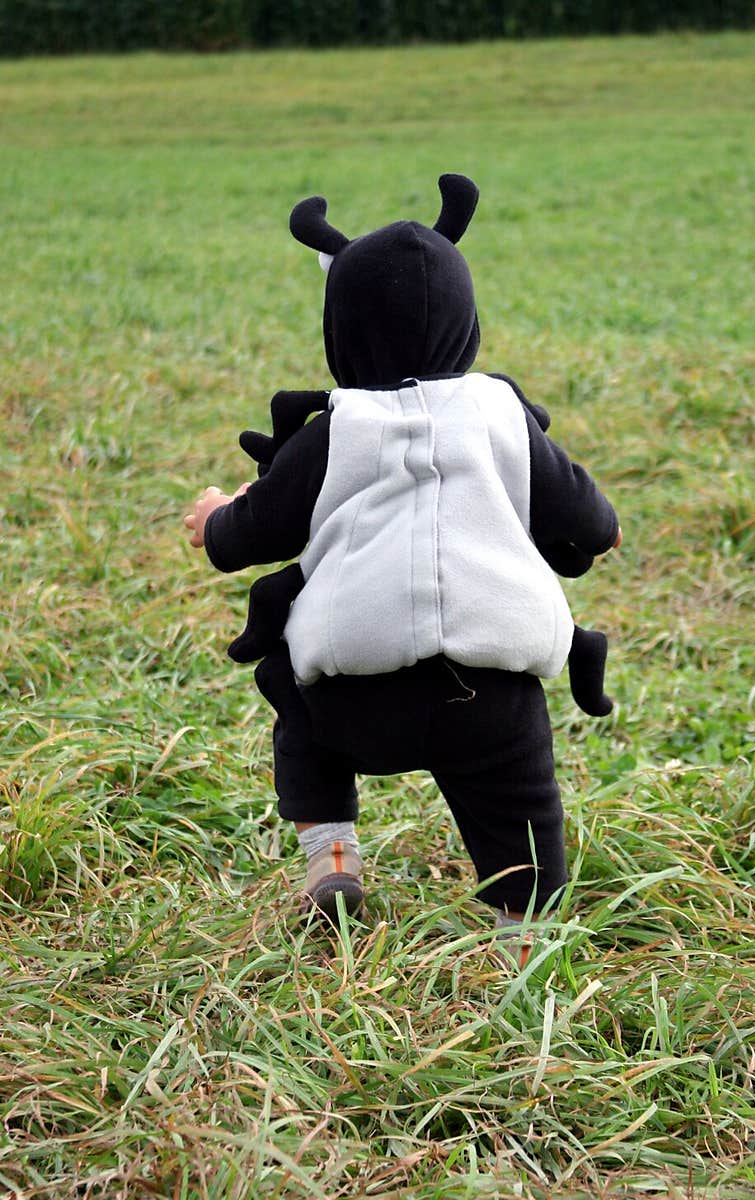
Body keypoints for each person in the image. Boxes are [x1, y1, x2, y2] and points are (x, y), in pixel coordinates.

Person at [185, 174, 621, 966]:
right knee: (521, 800)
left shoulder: (332, 431)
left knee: (293, 691)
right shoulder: (502, 417)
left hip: (356, 692)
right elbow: (592, 523)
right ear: (466, 320)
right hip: (491, 694)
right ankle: (524, 935)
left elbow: (249, 533)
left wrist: (216, 513)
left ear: (340, 329)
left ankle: (334, 854)